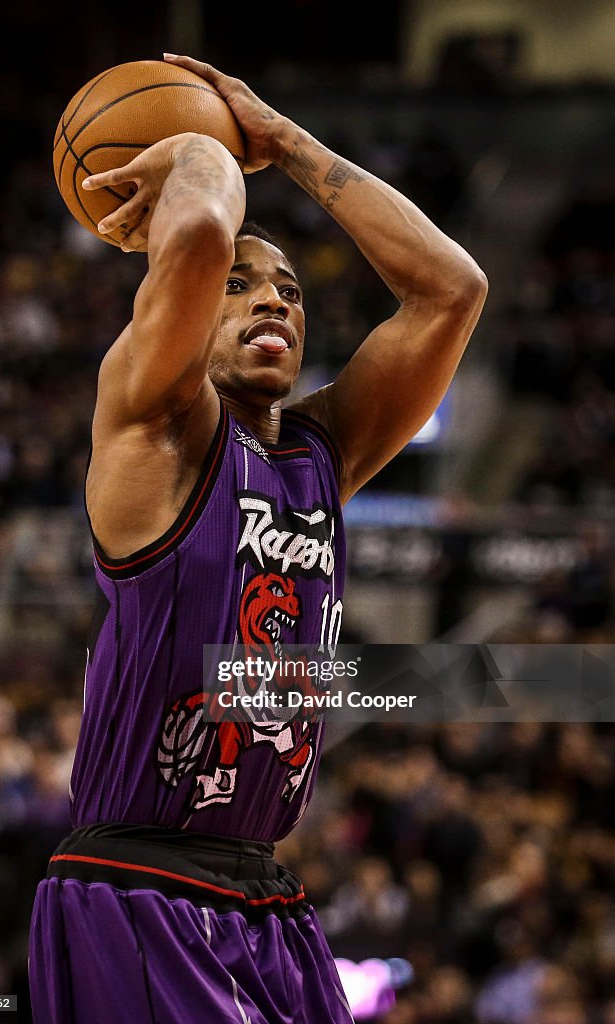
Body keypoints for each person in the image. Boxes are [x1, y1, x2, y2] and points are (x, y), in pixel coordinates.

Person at [28, 53, 487, 1023]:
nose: (271, 298)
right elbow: (194, 233)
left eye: (286, 287)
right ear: (187, 314)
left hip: (267, 898)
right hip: (135, 885)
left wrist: (285, 142)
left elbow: (449, 288)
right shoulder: (152, 424)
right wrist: (197, 145)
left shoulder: (323, 451)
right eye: (239, 287)